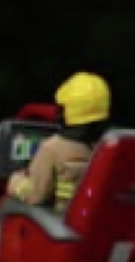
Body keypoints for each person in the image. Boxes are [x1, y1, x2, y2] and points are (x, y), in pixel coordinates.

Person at [7, 73, 112, 212]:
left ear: (66, 110)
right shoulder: (108, 149)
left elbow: (36, 196)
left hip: (61, 225)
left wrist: (15, 182)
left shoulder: (52, 148)